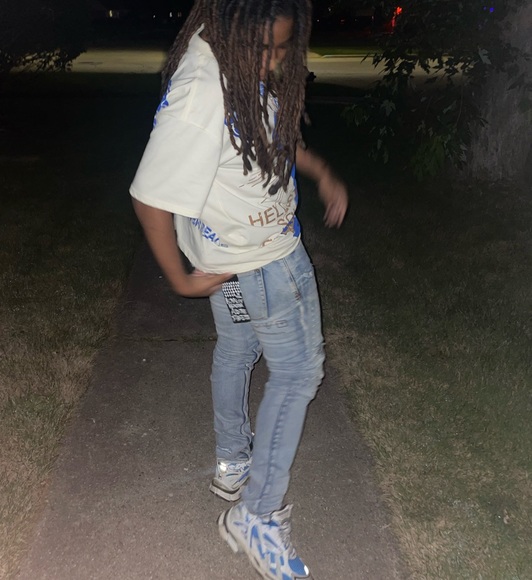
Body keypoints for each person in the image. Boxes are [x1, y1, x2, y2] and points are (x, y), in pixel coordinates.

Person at [130, 1, 348, 578]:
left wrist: (320, 171)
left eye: (282, 48)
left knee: (240, 348)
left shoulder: (223, 47)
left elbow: (262, 136)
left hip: (234, 257)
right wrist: (180, 281)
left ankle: (235, 465)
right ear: (238, 26)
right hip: (263, 260)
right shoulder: (206, 86)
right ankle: (257, 514)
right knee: (297, 374)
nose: (273, 61)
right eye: (266, 47)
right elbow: (149, 197)